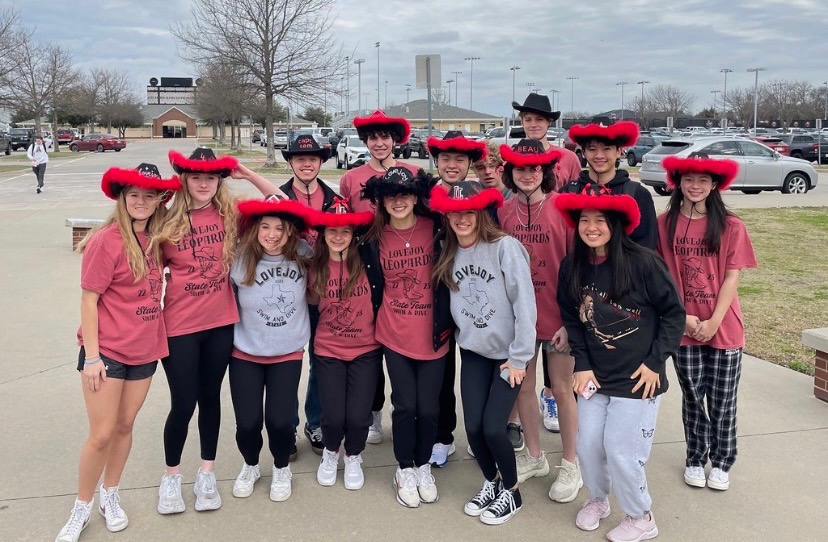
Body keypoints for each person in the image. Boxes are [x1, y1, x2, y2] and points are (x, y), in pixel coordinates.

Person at [151, 148, 284, 514]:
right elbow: (140, 269)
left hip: (222, 324)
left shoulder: (232, 215)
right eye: (196, 177)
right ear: (185, 180)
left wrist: (248, 174)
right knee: (183, 403)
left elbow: (280, 202)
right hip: (179, 327)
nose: (204, 183)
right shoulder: (166, 221)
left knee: (211, 399)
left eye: (211, 177)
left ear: (219, 180)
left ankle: (206, 473)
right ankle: (171, 477)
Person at [56, 164, 181, 542]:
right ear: (122, 199)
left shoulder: (159, 240)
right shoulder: (106, 240)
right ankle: (81, 506)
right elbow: (88, 301)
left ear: (160, 200)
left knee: (125, 426)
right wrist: (92, 357)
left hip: (145, 349)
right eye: (134, 195)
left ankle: (111, 494)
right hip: (107, 351)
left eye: (149, 195)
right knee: (101, 433)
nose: (141, 202)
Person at [555, 185, 684, 541]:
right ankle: (598, 500)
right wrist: (581, 363)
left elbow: (674, 314)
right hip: (595, 374)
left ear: (616, 223)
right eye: (584, 220)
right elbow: (572, 319)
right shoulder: (572, 267)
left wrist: (656, 363)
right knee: (587, 444)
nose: (591, 227)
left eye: (600, 220)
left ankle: (641, 516)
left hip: (639, 376)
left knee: (620, 449)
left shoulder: (643, 262)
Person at [431, 181, 536, 525]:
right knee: (473, 429)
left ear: (480, 212)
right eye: (455, 212)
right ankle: (491, 482)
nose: (461, 219)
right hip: (474, 352)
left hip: (508, 355)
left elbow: (525, 306)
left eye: (468, 212)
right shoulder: (448, 251)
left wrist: (520, 357)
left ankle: (513, 490)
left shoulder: (505, 247)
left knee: (494, 428)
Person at [657, 153, 757, 491]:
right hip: (682, 327)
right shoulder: (663, 224)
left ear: (715, 184)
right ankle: (696, 457)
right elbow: (661, 276)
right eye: (689, 179)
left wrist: (714, 321)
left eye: (703, 180)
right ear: (678, 182)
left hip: (723, 328)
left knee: (723, 399)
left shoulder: (732, 225)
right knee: (692, 396)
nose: (695, 185)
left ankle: (723, 461)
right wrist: (683, 318)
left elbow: (731, 278)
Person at [497, 139, 583, 502]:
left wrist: (572, 319)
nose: (528, 174)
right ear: (511, 172)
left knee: (562, 389)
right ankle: (534, 456)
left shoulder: (562, 208)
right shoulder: (502, 211)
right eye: (521, 168)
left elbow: (579, 267)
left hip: (558, 315)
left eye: (534, 168)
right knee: (524, 387)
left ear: (545, 171)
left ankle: (570, 463)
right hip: (520, 319)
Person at [359, 166, 451, 508]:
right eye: (391, 196)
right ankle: (405, 468)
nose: (399, 202)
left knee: (428, 409)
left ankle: (423, 463)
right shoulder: (372, 237)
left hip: (433, 332)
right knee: (405, 404)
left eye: (406, 194)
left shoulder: (438, 228)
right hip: (393, 332)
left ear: (416, 197)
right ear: (382, 201)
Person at [340, 109, 420, 445]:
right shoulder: (352, 178)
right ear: (366, 142)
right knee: (370, 338)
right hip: (365, 262)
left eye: (385, 137)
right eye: (373, 138)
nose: (379, 143)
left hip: (405, 262)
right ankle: (372, 411)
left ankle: (408, 407)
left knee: (401, 335)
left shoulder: (414, 173)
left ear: (395, 140)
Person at [228, 196, 314, 502]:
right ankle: (251, 464)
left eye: (280, 227)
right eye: (265, 227)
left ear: (290, 230)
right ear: (255, 229)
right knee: (248, 423)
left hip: (287, 352)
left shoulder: (304, 254)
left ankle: (280, 467)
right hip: (245, 352)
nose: (272, 234)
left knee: (279, 421)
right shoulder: (240, 256)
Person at [425, 131, 488, 468]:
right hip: (437, 293)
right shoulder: (423, 196)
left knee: (481, 365)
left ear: (468, 164)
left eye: (459, 159)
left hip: (475, 291)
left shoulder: (482, 197)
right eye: (446, 158)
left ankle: (483, 434)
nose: (452, 165)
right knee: (443, 370)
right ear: (437, 161)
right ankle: (443, 435)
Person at [305, 198, 378, 490]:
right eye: (332, 231)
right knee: (333, 417)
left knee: (359, 417)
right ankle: (331, 452)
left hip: (366, 349)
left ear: (354, 234)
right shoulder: (314, 266)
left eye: (345, 231)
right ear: (323, 233)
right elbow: (310, 303)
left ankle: (353, 455)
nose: (338, 236)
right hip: (328, 350)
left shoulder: (369, 262)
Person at [280, 134, 340, 456]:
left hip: (321, 296)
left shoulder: (333, 199)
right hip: (286, 298)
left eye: (313, 158)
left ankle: (315, 421)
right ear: (290, 162)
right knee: (288, 361)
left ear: (321, 162)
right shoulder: (278, 198)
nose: (307, 163)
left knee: (320, 361)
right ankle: (286, 425)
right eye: (301, 159)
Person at [561, 121, 657, 249]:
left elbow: (646, 247)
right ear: (583, 152)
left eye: (607, 148)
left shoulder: (638, 195)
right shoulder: (567, 193)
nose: (599, 155)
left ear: (619, 151)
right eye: (592, 149)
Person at [512, 93, 581, 188]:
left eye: (539, 119)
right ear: (522, 122)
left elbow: (577, 195)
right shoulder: (511, 158)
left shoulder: (569, 158)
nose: (533, 124)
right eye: (528, 120)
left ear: (549, 122)